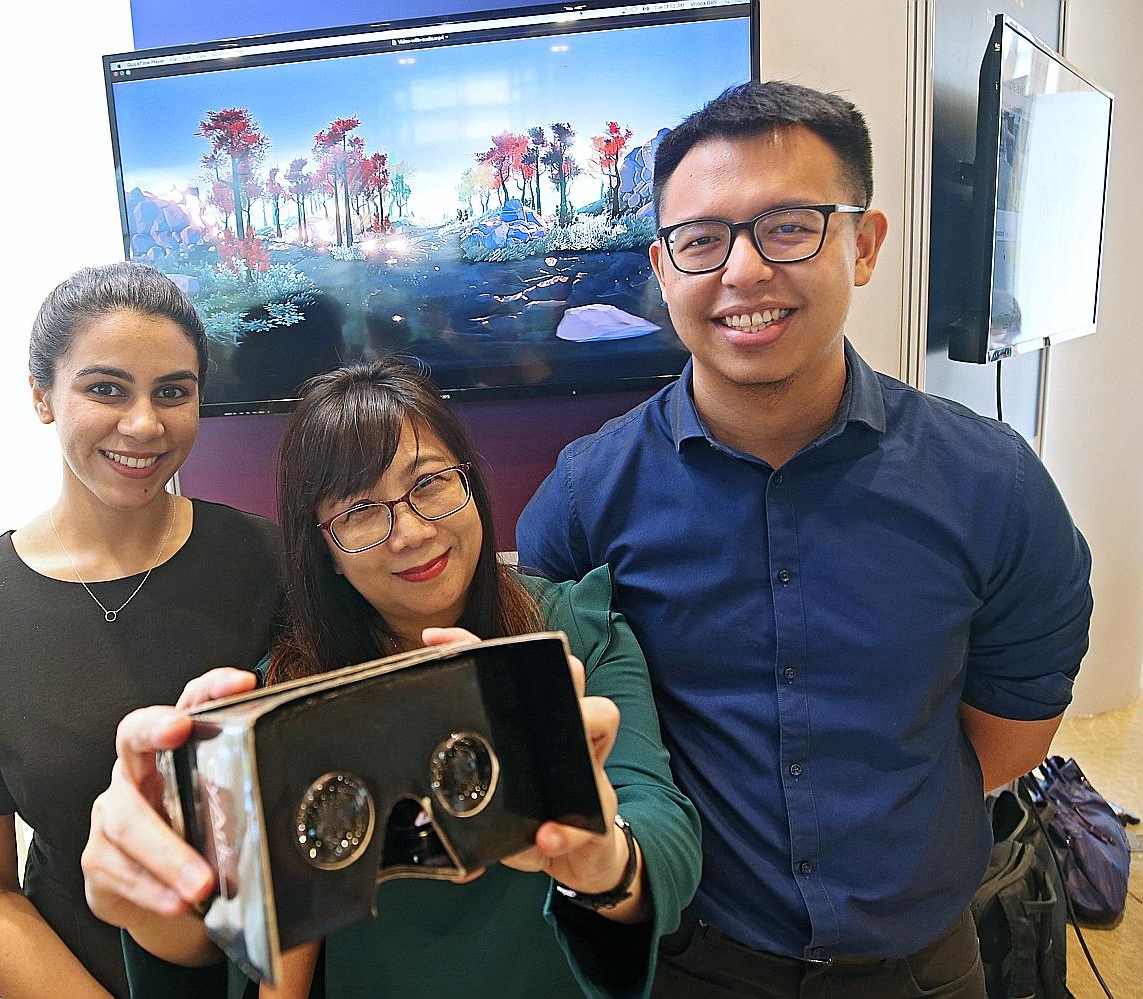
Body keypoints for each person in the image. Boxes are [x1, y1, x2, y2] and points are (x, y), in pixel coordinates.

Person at [517, 81, 1093, 999]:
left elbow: (1011, 737)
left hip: (923, 962)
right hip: (695, 961)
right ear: (665, 270)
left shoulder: (995, 485)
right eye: (702, 239)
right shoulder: (587, 500)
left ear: (863, 246)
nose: (742, 272)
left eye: (789, 226)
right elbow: (572, 727)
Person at [82, 357, 702, 999]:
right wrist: (155, 899)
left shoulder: (577, 631)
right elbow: (261, 952)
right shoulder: (288, 701)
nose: (409, 531)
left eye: (430, 483)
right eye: (359, 511)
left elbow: (661, 822)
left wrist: (603, 862)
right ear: (326, 553)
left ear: (472, 487)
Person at [0, 262, 284, 998]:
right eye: (105, 388)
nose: (144, 423)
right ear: (42, 395)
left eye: (173, 391)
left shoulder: (272, 563)